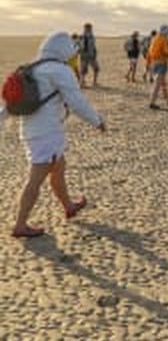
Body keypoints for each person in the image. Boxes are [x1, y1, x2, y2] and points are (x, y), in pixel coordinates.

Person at [1, 32, 106, 238]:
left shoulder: (32, 68)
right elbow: (76, 103)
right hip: (46, 133)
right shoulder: (60, 70)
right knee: (36, 178)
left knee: (58, 167)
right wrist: (97, 121)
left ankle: (68, 206)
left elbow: (11, 105)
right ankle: (20, 225)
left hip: (33, 131)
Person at [147, 25, 168, 110]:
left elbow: (150, 51)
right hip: (161, 62)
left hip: (154, 62)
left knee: (162, 82)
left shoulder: (155, 38)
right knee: (158, 84)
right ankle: (152, 102)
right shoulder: (163, 39)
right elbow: (166, 51)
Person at [77, 22, 100, 88]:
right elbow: (78, 46)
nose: (90, 29)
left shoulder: (91, 36)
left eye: (90, 28)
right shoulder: (81, 37)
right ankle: (82, 83)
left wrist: (95, 53)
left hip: (91, 56)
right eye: (89, 28)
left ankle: (94, 82)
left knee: (96, 69)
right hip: (84, 56)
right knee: (83, 70)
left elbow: (93, 46)